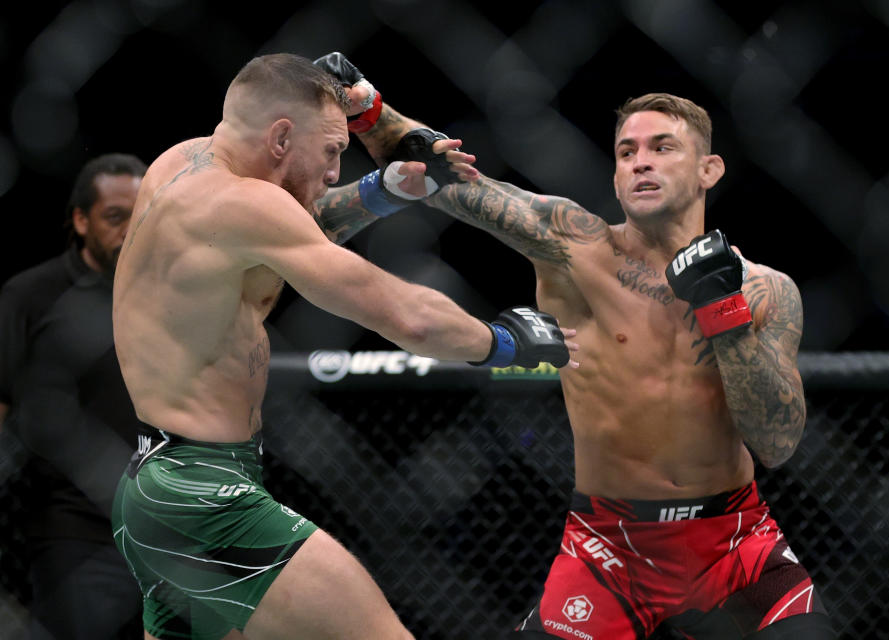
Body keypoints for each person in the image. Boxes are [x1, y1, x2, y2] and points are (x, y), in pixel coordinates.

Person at [312, 53, 835, 639]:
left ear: (709, 170)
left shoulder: (766, 290)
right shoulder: (574, 246)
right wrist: (366, 109)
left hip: (735, 544)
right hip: (608, 547)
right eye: (627, 152)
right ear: (614, 175)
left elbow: (778, 443)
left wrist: (724, 311)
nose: (641, 162)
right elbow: (449, 184)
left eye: (663, 147)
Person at [110, 52, 576, 640]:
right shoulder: (243, 205)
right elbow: (407, 316)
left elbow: (290, 231)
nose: (335, 171)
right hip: (207, 498)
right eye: (331, 151)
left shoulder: (181, 164)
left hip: (154, 490)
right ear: (281, 137)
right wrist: (506, 342)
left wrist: (388, 188)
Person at [0, 153, 147, 639]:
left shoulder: (174, 290)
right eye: (114, 216)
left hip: (169, 520)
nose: (130, 229)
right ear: (81, 221)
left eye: (141, 214)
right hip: (73, 526)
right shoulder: (30, 296)